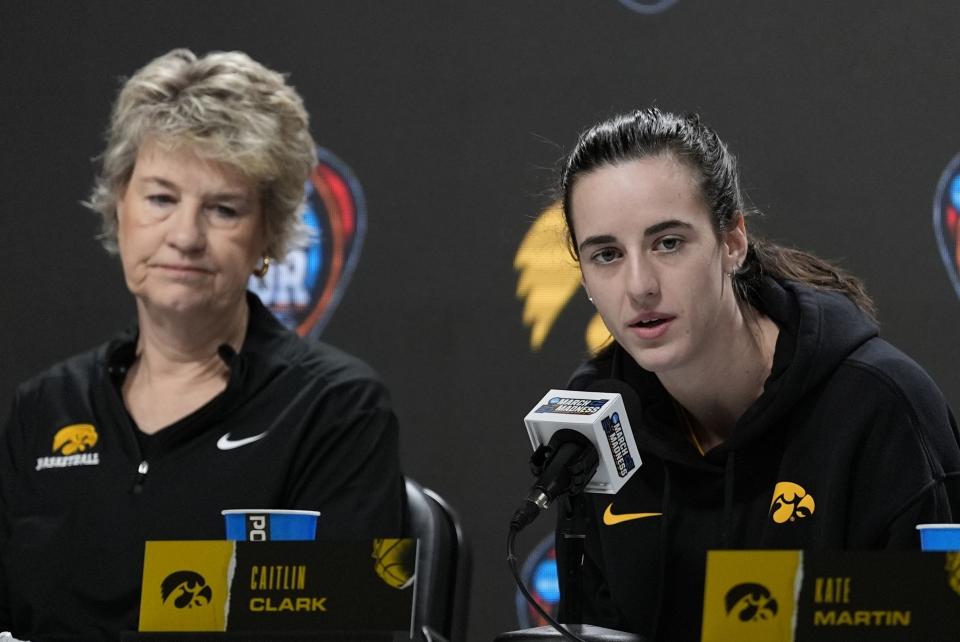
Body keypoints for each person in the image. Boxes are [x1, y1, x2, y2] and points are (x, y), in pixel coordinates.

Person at [0, 49, 405, 641]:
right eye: (161, 199)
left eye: (222, 209)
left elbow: (352, 628)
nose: (185, 236)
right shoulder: (45, 408)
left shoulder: (337, 408)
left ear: (268, 233)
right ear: (120, 210)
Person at [553, 108, 960, 640]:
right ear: (583, 276)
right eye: (606, 254)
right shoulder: (594, 422)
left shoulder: (880, 407)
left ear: (732, 242)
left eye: (668, 243)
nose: (639, 286)